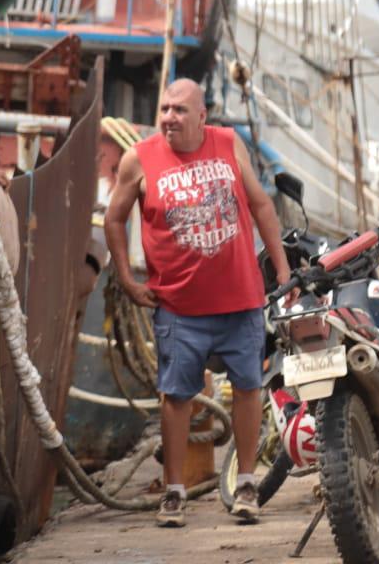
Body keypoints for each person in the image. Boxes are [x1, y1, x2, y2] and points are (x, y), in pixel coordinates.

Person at [100, 78, 292, 528]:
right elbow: (113, 219)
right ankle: (174, 491)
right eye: (165, 108)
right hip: (179, 308)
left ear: (202, 116)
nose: (169, 117)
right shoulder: (139, 159)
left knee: (248, 388)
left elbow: (262, 206)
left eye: (180, 110)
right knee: (177, 396)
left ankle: (246, 483)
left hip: (241, 299)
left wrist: (281, 269)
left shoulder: (228, 144)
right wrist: (127, 279)